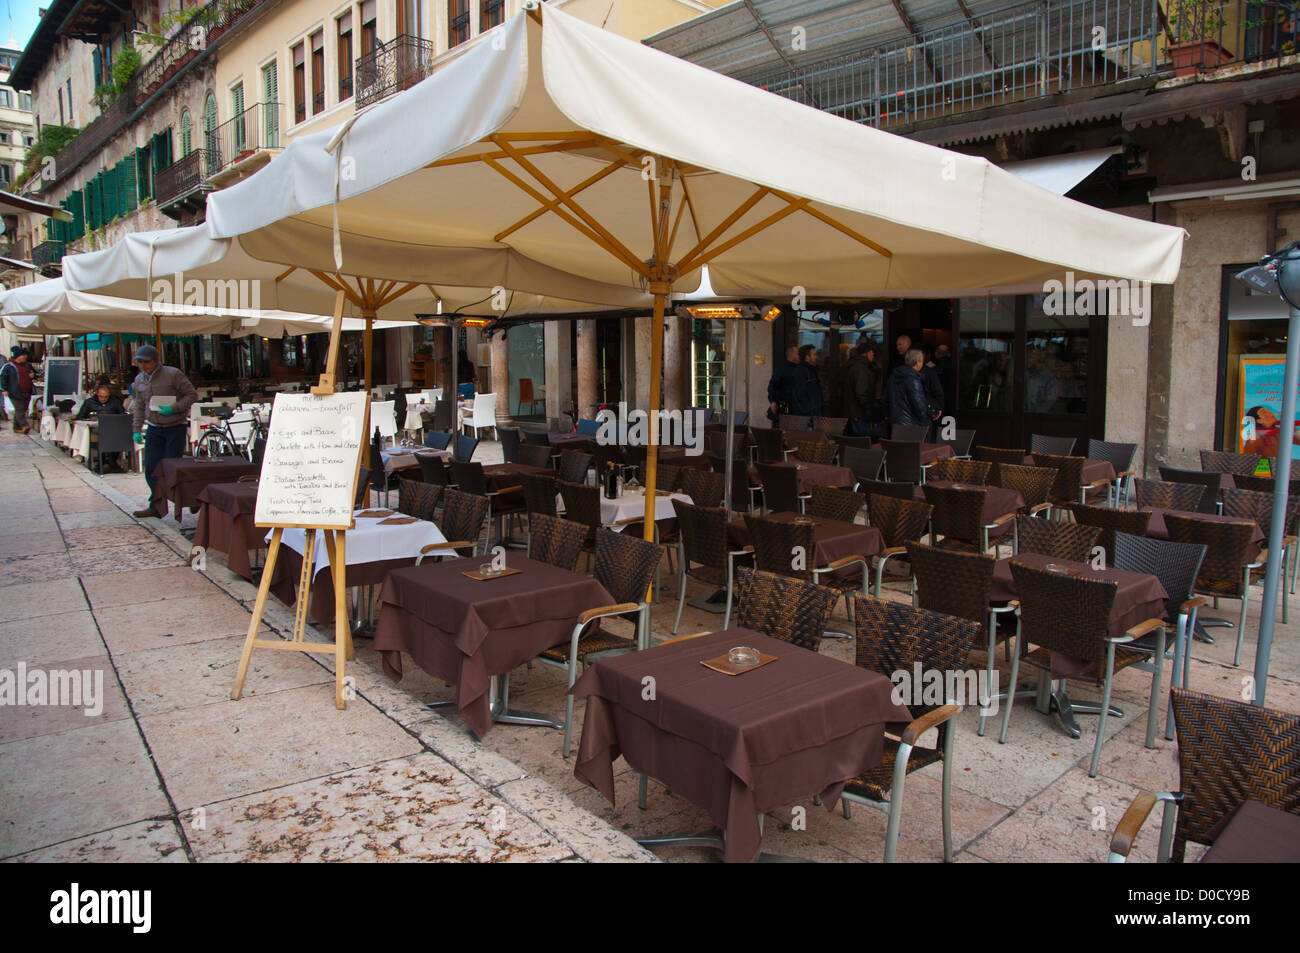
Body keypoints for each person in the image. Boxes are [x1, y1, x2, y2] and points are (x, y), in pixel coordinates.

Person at [129, 345, 198, 519]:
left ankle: (192, 499)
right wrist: (136, 429)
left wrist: (174, 408)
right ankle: (156, 505)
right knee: (151, 467)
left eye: (146, 362)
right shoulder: (139, 380)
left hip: (175, 426)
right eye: (140, 362)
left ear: (155, 361)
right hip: (154, 427)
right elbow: (139, 405)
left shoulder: (173, 374)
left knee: (173, 468)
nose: (143, 365)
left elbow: (191, 395)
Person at [842, 341, 881, 437]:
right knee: (863, 443)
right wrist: (868, 408)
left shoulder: (853, 365)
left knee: (858, 442)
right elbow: (861, 392)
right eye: (872, 352)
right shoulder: (861, 368)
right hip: (859, 413)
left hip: (853, 412)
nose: (873, 355)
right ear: (867, 353)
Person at [884, 348, 930, 428]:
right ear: (918, 362)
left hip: (894, 421)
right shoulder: (913, 378)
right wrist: (925, 419)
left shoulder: (893, 375)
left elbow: (885, 399)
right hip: (911, 423)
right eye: (922, 361)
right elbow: (919, 405)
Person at [1, 346, 36, 433]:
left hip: (27, 391)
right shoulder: (8, 366)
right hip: (14, 392)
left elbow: (35, 374)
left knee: (23, 409)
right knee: (20, 409)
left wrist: (33, 375)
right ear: (17, 356)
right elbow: (2, 378)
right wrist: (3, 389)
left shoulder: (27, 365)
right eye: (22, 355)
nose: (25, 357)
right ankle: (25, 426)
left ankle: (16, 428)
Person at [767, 345, 799, 422]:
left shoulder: (800, 369)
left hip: (797, 407)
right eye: (798, 353)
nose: (800, 356)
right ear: (792, 355)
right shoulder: (782, 369)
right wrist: (773, 401)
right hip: (786, 408)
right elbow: (772, 386)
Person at [789, 344, 824, 416]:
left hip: (813, 413)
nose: (816, 357)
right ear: (807, 357)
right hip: (807, 415)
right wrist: (809, 411)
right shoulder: (802, 371)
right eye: (814, 355)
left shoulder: (812, 371)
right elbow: (800, 394)